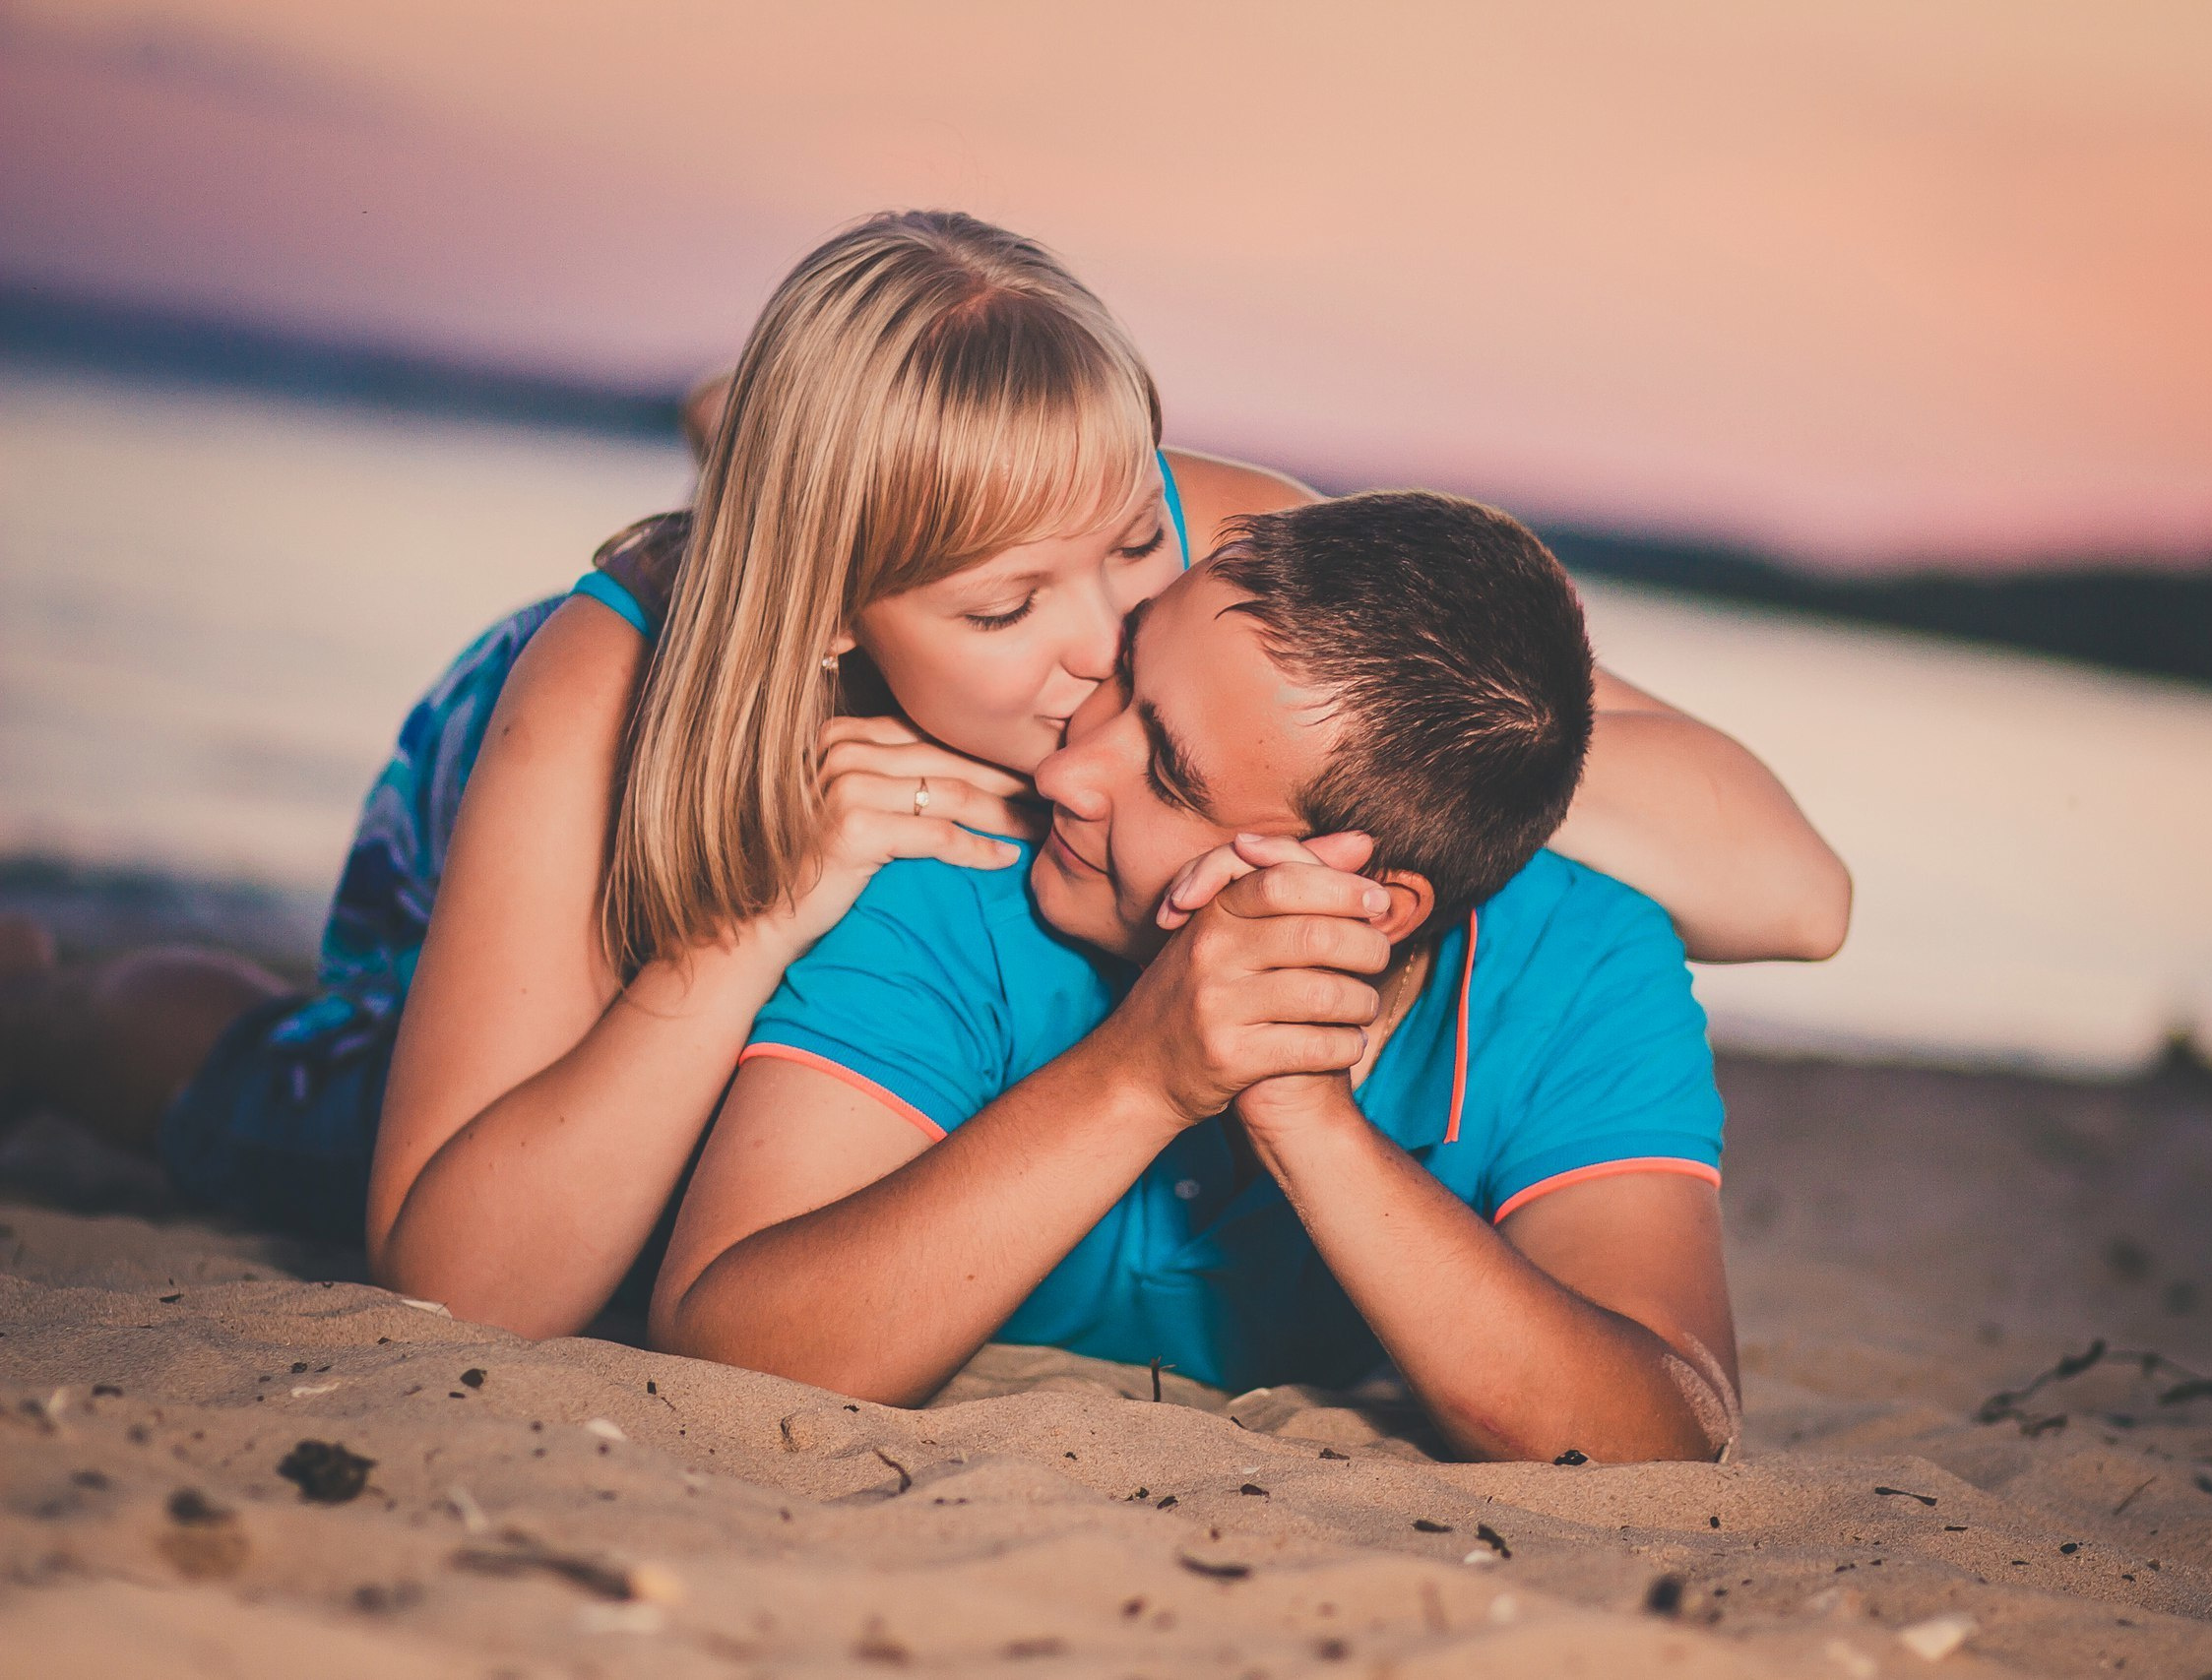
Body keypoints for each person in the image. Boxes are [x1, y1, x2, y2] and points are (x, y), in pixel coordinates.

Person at [0, 212, 1846, 1344]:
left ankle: (766, 429)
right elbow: (461, 1281)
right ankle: (55, 1005)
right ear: (831, 613)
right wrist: (739, 932)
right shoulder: (613, 682)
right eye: (1004, 599)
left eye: (1123, 545)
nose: (1103, 639)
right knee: (303, 1107)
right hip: (558, 818)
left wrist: (1399, 759)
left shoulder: (1214, 558)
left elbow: (1795, 896)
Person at [653, 494, 1739, 1464]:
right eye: (1124, 671)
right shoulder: (961, 856)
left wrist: (1300, 1104)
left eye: (1168, 776)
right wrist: (1141, 1076)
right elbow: (729, 1351)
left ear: (1365, 897)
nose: (1065, 771)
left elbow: (1664, 1437)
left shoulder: (1580, 962)